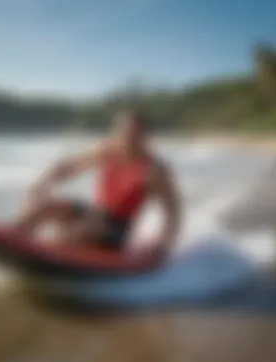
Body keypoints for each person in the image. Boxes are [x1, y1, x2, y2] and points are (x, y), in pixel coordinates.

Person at [15, 109, 181, 256]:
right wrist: (41, 184)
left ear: (144, 135)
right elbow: (69, 166)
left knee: (77, 232)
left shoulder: (154, 169)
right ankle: (13, 238)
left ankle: (47, 254)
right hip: (95, 214)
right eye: (122, 132)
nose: (126, 137)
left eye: (133, 133)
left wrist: (164, 244)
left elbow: (172, 209)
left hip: (117, 229)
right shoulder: (109, 151)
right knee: (45, 207)